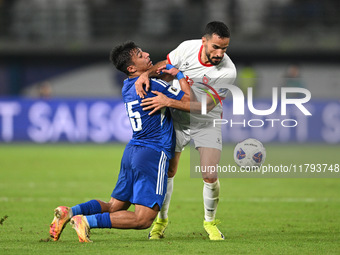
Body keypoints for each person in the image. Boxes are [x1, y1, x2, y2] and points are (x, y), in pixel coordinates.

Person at [49, 41, 190, 242]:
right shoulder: (154, 86)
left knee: (115, 206)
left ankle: (69, 212)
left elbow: (150, 75)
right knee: (143, 220)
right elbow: (190, 101)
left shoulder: (127, 86)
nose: (148, 54)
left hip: (132, 151)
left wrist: (151, 73)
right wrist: (179, 75)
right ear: (131, 68)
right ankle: (87, 222)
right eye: (141, 55)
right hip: (152, 153)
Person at [135, 21, 237, 241]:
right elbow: (165, 64)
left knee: (209, 174)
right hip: (177, 120)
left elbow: (205, 106)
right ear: (204, 41)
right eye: (215, 47)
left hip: (206, 121)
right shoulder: (188, 48)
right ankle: (161, 221)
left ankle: (210, 223)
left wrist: (168, 101)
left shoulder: (227, 71)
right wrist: (147, 75)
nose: (219, 53)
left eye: (224, 49)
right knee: (168, 172)